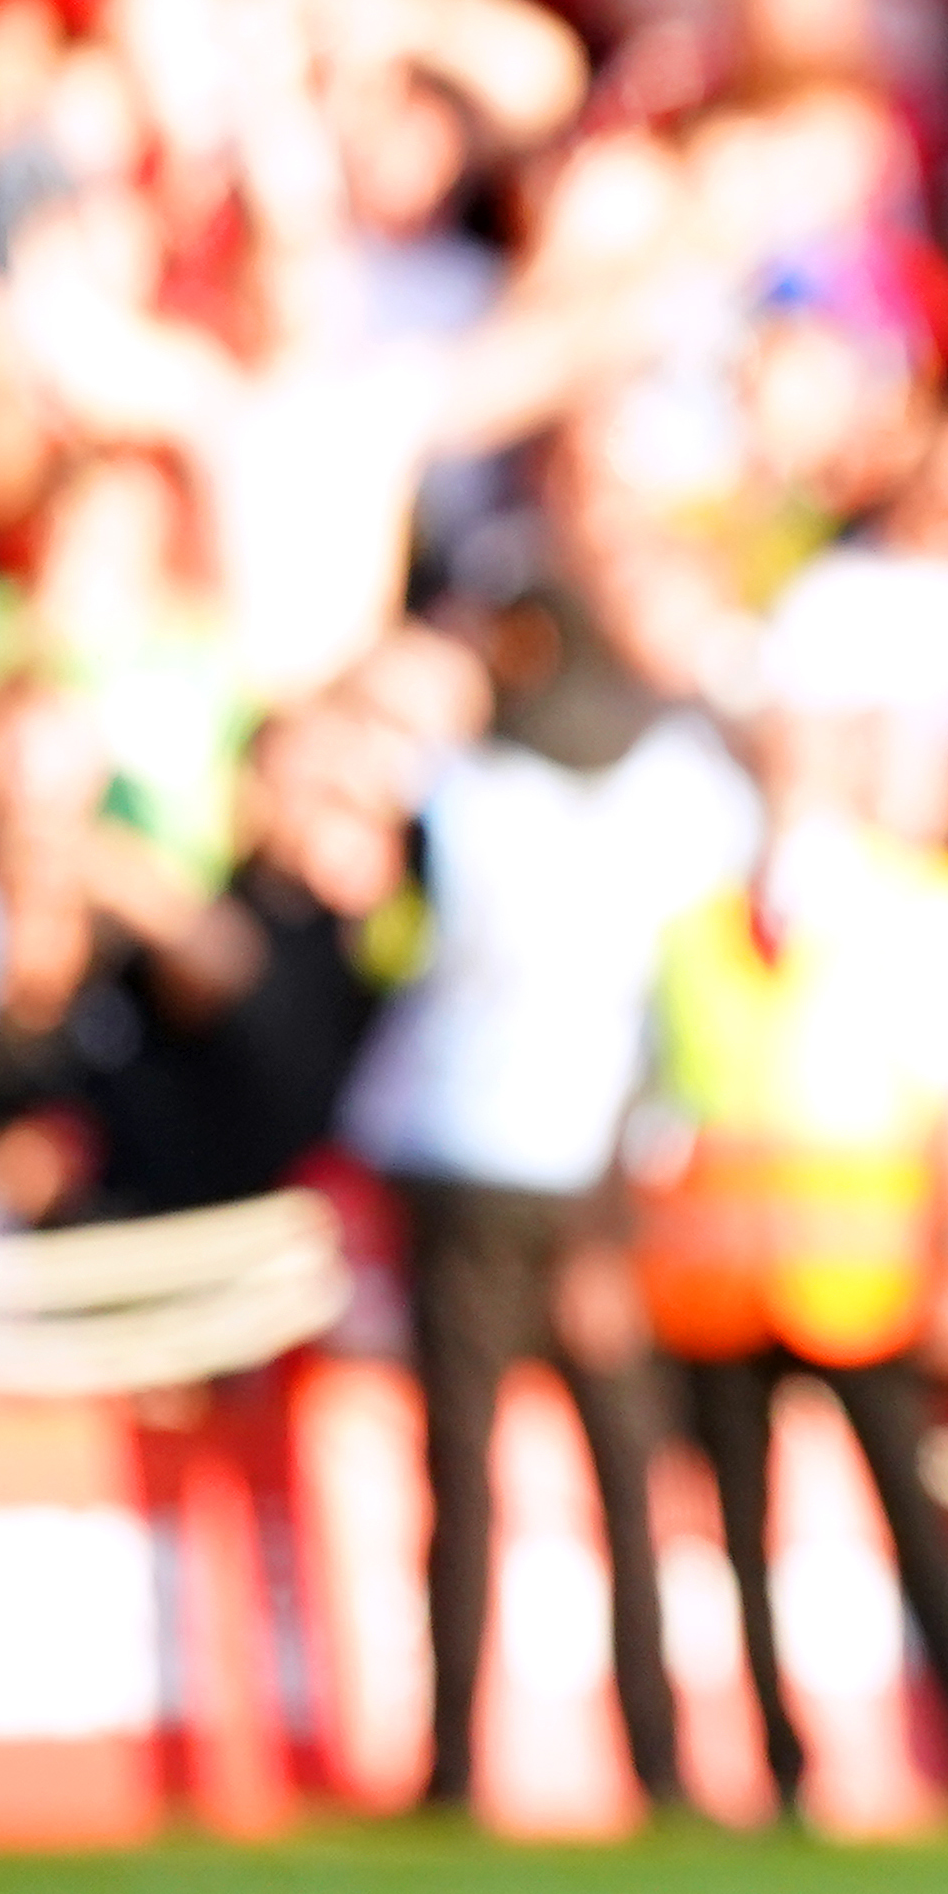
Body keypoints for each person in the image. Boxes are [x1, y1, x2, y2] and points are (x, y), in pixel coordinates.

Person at [340, 587, 756, 1824]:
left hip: (465, 1148)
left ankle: (453, 1760)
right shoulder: (684, 788)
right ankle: (660, 1759)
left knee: (460, 1469)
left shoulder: (462, 792)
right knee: (627, 1474)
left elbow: (399, 948)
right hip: (605, 1164)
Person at [631, 593, 948, 1823]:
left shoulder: (922, 898)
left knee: (916, 1525)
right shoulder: (700, 915)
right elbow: (660, 1103)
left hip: (863, 1275)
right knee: (742, 1538)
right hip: (721, 1277)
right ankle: (777, 1761)